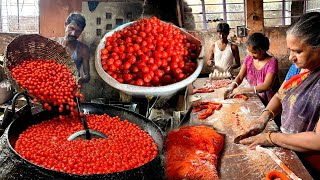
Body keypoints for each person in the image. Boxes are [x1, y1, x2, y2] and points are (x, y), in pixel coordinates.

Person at [238, 12, 320, 178]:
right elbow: (280, 95)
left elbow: (318, 140)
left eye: (297, 51)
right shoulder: (298, 68)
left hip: (311, 164)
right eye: (289, 50)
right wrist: (264, 117)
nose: (291, 58)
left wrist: (271, 137)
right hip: (288, 148)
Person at [224, 32, 280, 106]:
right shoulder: (249, 58)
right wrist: (232, 86)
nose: (251, 55)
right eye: (249, 52)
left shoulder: (272, 62)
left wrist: (243, 90)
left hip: (269, 101)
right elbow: (240, 76)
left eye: (254, 52)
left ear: (262, 50)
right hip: (255, 97)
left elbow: (267, 85)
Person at [53, 12, 90, 85]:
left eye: (78, 31)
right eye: (71, 28)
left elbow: (87, 76)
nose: (73, 33)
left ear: (81, 32)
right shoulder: (53, 42)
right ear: (65, 24)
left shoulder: (83, 49)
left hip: (71, 88)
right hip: (51, 86)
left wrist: (82, 79)